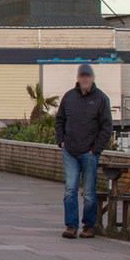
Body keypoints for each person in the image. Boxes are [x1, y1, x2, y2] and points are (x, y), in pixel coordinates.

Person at [55, 64, 113, 239]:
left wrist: (95, 150)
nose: (85, 79)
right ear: (78, 77)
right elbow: (60, 120)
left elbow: (106, 127)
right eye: (82, 76)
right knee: (70, 190)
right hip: (70, 151)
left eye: (88, 76)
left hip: (89, 154)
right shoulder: (69, 97)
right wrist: (61, 141)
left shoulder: (101, 99)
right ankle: (71, 226)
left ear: (93, 78)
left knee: (89, 192)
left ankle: (88, 226)